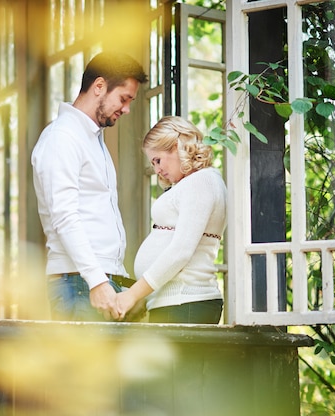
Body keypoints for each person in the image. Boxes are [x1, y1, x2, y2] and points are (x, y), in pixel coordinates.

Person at [31, 52, 148, 321]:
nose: (127, 109)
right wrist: (96, 282)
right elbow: (64, 216)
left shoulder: (93, 138)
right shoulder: (63, 137)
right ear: (99, 87)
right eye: (124, 98)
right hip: (80, 285)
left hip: (95, 281)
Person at [116, 116, 227, 324]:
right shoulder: (193, 183)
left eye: (158, 160)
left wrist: (132, 295)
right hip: (178, 303)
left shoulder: (202, 181)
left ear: (177, 146)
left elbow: (180, 252)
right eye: (152, 163)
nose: (157, 170)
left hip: (185, 303)